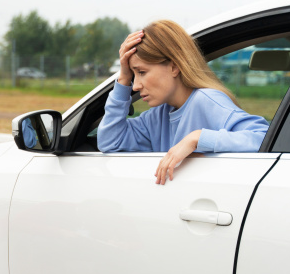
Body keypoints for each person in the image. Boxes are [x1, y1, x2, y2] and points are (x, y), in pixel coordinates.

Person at [97, 20, 269, 184]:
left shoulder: (206, 100)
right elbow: (110, 142)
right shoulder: (156, 116)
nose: (135, 86)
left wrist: (197, 138)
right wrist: (124, 77)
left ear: (174, 67)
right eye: (133, 75)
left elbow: (263, 138)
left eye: (141, 72)